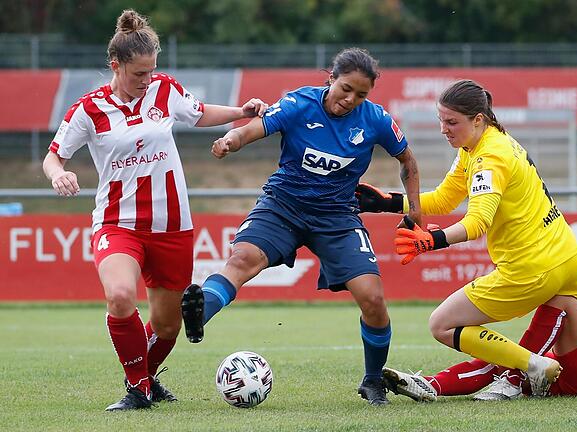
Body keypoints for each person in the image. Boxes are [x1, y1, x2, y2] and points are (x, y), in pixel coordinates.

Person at [357, 79, 577, 398]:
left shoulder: (490, 157)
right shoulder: (484, 145)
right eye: (441, 120)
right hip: (568, 257)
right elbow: (445, 199)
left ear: (478, 119)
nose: (443, 129)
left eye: (451, 122)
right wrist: (391, 202)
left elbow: (477, 222)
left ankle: (532, 368)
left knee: (442, 324)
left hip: (531, 267)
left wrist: (432, 241)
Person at [42, 9, 268, 411]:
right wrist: (58, 174)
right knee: (121, 296)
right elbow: (54, 156)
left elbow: (199, 114)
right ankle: (139, 389)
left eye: (151, 71)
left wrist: (241, 112)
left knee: (167, 325)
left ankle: (146, 380)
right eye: (139, 73)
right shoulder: (87, 110)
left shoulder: (164, 90)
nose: (147, 80)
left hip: (173, 225)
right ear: (116, 65)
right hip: (117, 223)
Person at [180, 47, 422, 406]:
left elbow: (408, 162)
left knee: (373, 299)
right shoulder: (299, 103)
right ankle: (200, 314)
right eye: (345, 89)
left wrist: (415, 213)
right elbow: (255, 128)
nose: (351, 99)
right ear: (330, 78)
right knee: (243, 258)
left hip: (337, 217)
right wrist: (230, 141)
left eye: (361, 94)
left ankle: (372, 381)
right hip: (283, 207)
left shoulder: (377, 120)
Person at [381, 296, 577, 400]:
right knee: (510, 358)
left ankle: (516, 377)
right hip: (568, 379)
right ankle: (431, 385)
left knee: (566, 300)